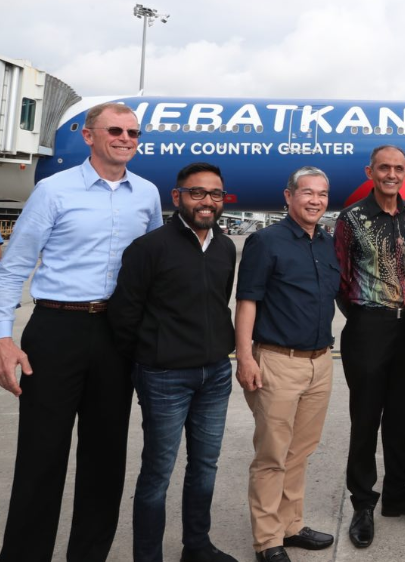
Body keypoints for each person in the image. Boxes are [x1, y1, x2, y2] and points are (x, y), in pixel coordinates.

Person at [0, 102, 162, 562]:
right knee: (41, 455)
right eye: (115, 130)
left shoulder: (147, 194)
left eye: (133, 132)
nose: (126, 139)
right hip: (57, 328)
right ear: (89, 136)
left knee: (106, 458)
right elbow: (13, 268)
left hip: (117, 333)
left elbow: (154, 266)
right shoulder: (53, 190)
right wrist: (3, 338)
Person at [109, 162, 238, 562]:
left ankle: (196, 546)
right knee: (157, 473)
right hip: (164, 376)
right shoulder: (149, 248)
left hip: (216, 374)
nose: (207, 201)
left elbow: (219, 302)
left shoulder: (224, 247)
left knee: (205, 466)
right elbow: (124, 316)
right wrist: (152, 356)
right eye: (197, 193)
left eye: (215, 194)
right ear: (177, 196)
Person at [234, 167, 341, 562]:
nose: (316, 200)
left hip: (320, 362)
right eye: (307, 192)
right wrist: (245, 357)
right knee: (272, 455)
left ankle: (291, 525)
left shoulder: (326, 243)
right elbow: (247, 301)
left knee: (300, 451)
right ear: (289, 195)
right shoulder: (266, 241)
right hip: (279, 362)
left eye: (322, 194)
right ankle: (267, 540)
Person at [334, 145, 405, 548]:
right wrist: (365, 314)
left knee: (401, 417)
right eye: (384, 168)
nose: (391, 174)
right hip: (368, 326)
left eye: (398, 168)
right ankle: (363, 502)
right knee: (366, 418)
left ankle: (397, 494)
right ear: (370, 172)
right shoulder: (351, 218)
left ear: (404, 173)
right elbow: (341, 279)